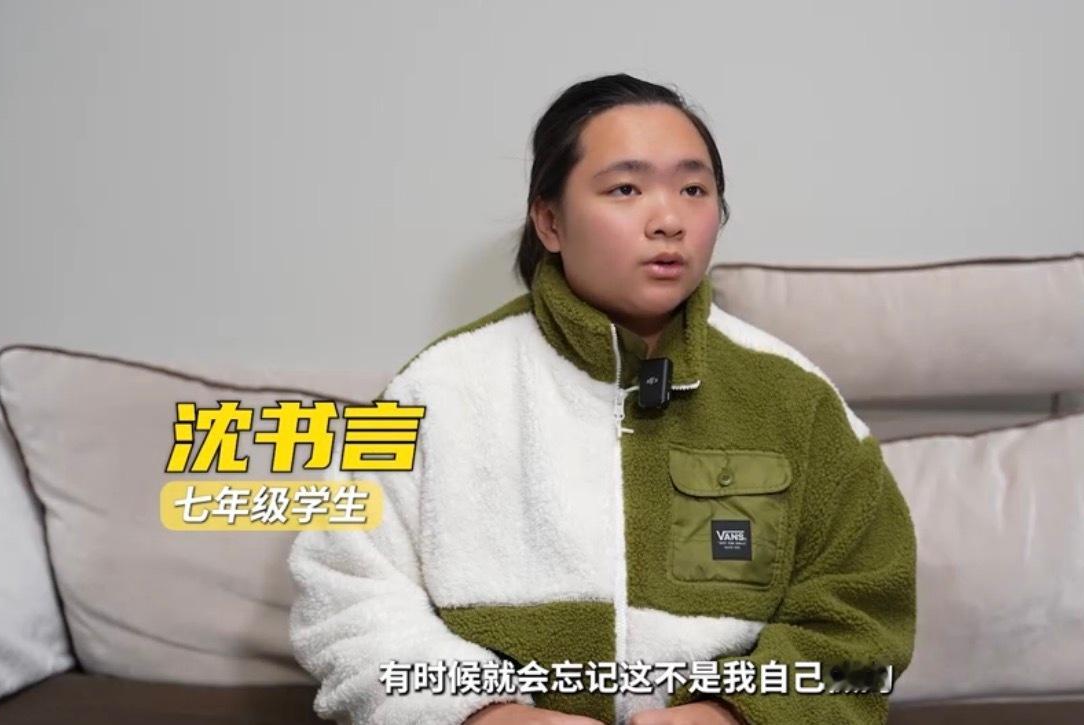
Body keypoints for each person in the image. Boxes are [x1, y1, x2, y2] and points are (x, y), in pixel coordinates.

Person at [288, 73, 916, 725]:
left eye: (694, 190)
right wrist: (482, 714)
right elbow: (347, 594)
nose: (668, 220)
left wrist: (736, 714)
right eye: (626, 189)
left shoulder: (796, 399)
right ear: (550, 221)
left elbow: (862, 617)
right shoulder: (433, 391)